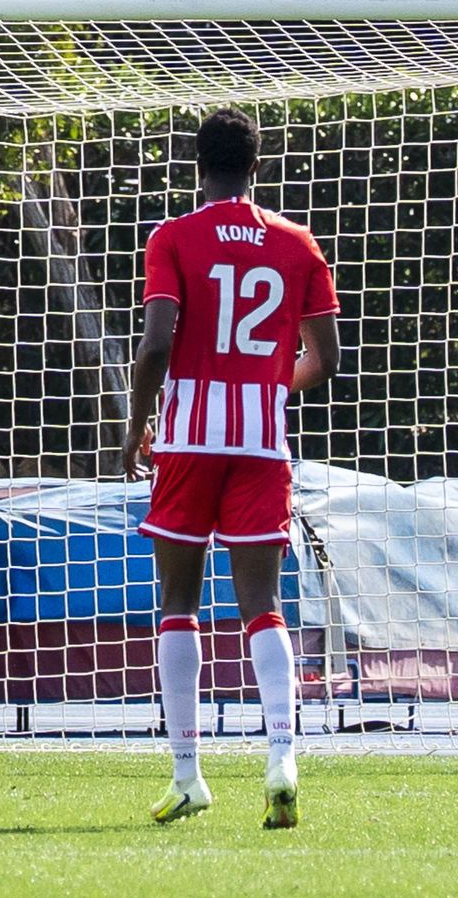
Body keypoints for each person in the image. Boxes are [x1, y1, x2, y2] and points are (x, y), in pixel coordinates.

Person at [123, 107, 340, 830]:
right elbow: (327, 359)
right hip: (260, 444)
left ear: (196, 166)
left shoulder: (174, 237)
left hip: (188, 442)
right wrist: (270, 384)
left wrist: (135, 428)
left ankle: (188, 774)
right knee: (262, 604)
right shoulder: (297, 243)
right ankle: (282, 755)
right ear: (256, 166)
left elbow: (157, 345)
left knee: (178, 605)